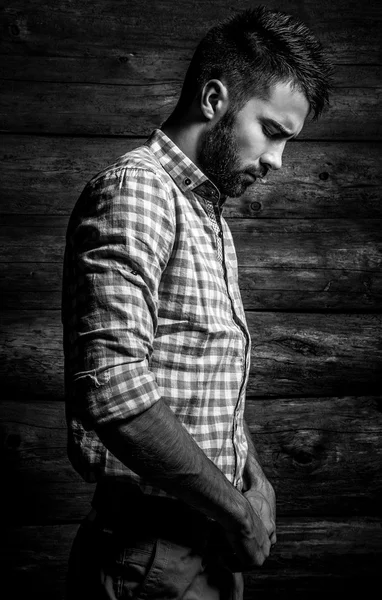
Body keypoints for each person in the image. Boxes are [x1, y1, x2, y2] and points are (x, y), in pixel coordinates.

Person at [62, 5, 332, 599]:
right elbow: (114, 391)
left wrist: (253, 480)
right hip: (151, 561)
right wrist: (241, 513)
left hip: (206, 548)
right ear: (214, 99)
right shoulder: (140, 192)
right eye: (272, 131)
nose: (277, 162)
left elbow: (203, 387)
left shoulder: (203, 213)